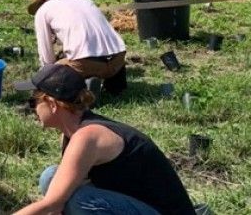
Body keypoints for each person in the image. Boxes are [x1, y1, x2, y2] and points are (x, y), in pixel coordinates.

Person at [13, 64, 196, 215]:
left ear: (52, 105)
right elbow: (57, 206)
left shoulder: (88, 137)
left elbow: (53, 203)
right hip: (137, 205)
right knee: (51, 177)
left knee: (80, 201)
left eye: (33, 103)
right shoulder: (73, 131)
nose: (32, 109)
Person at [27, 0, 127, 93]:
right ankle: (115, 86)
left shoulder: (43, 10)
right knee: (101, 55)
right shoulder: (85, 0)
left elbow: (46, 56)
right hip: (117, 59)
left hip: (85, 65)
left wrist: (46, 74)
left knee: (53, 75)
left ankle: (84, 86)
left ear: (41, 1)